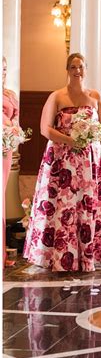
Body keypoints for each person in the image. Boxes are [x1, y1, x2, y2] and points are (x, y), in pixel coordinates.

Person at [23, 53, 101, 272]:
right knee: (63, 205)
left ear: (86, 69)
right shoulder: (57, 96)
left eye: (80, 66)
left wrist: (92, 136)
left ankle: (87, 254)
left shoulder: (95, 95)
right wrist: (70, 141)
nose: (77, 70)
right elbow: (45, 129)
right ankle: (57, 255)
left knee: (85, 203)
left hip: (88, 160)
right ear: (67, 69)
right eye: (73, 67)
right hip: (62, 158)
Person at [3, 57, 19, 267]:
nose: (3, 72)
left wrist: (14, 131)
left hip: (4, 150)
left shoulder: (10, 95)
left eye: (5, 69)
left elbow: (15, 120)